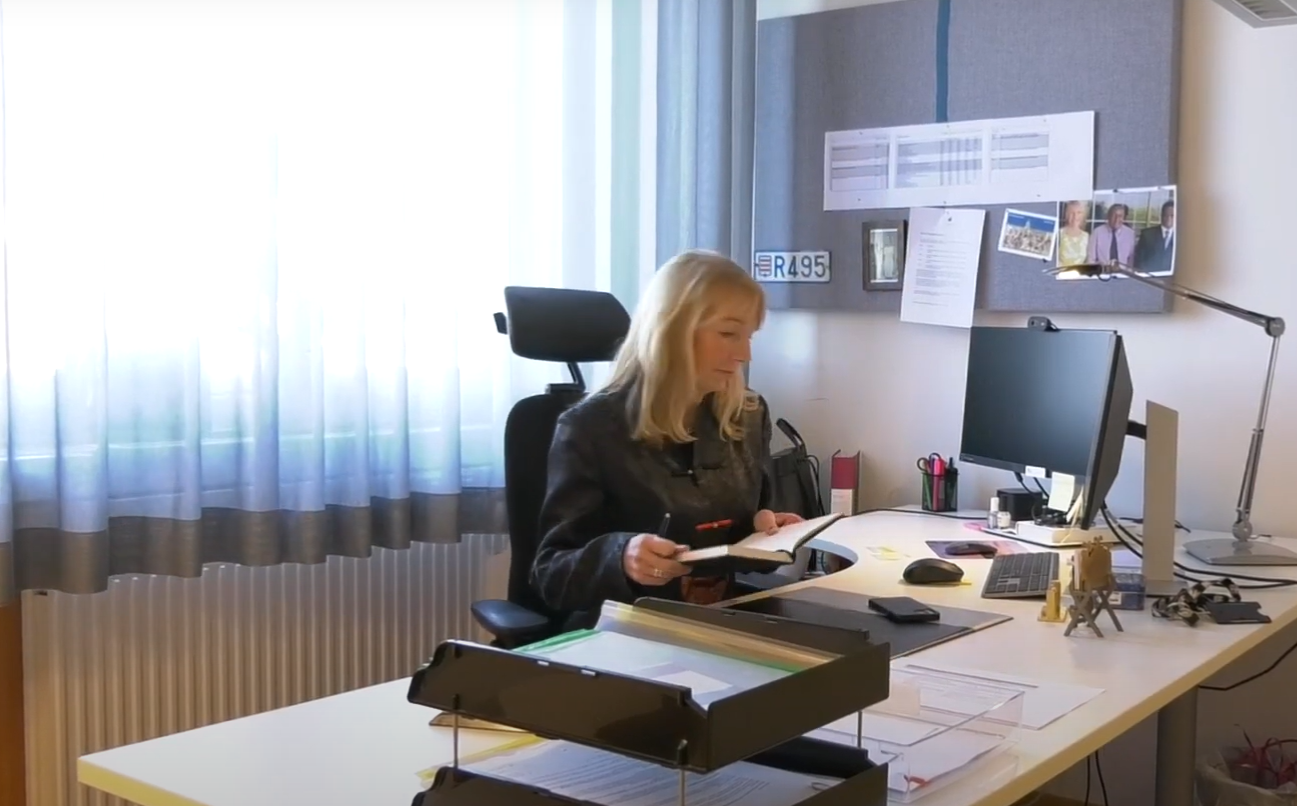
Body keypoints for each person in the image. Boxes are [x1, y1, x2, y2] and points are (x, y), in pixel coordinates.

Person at [530, 250, 804, 624]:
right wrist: (620, 556)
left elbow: (737, 538)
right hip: (625, 630)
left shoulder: (748, 416)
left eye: (748, 337)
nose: (744, 353)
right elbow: (550, 575)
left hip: (714, 621)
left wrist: (765, 532)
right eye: (728, 333)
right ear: (673, 329)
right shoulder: (589, 428)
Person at [1133, 200, 1175, 274]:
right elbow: (1139, 261)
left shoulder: (1182, 237)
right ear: (1161, 215)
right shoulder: (1147, 234)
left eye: (1172, 216)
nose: (1168, 218)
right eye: (1166, 215)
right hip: (1149, 277)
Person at [1056, 200, 1090, 267]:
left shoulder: (1086, 237)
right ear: (1067, 215)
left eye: (1079, 213)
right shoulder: (1059, 234)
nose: (1075, 216)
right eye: (1072, 213)